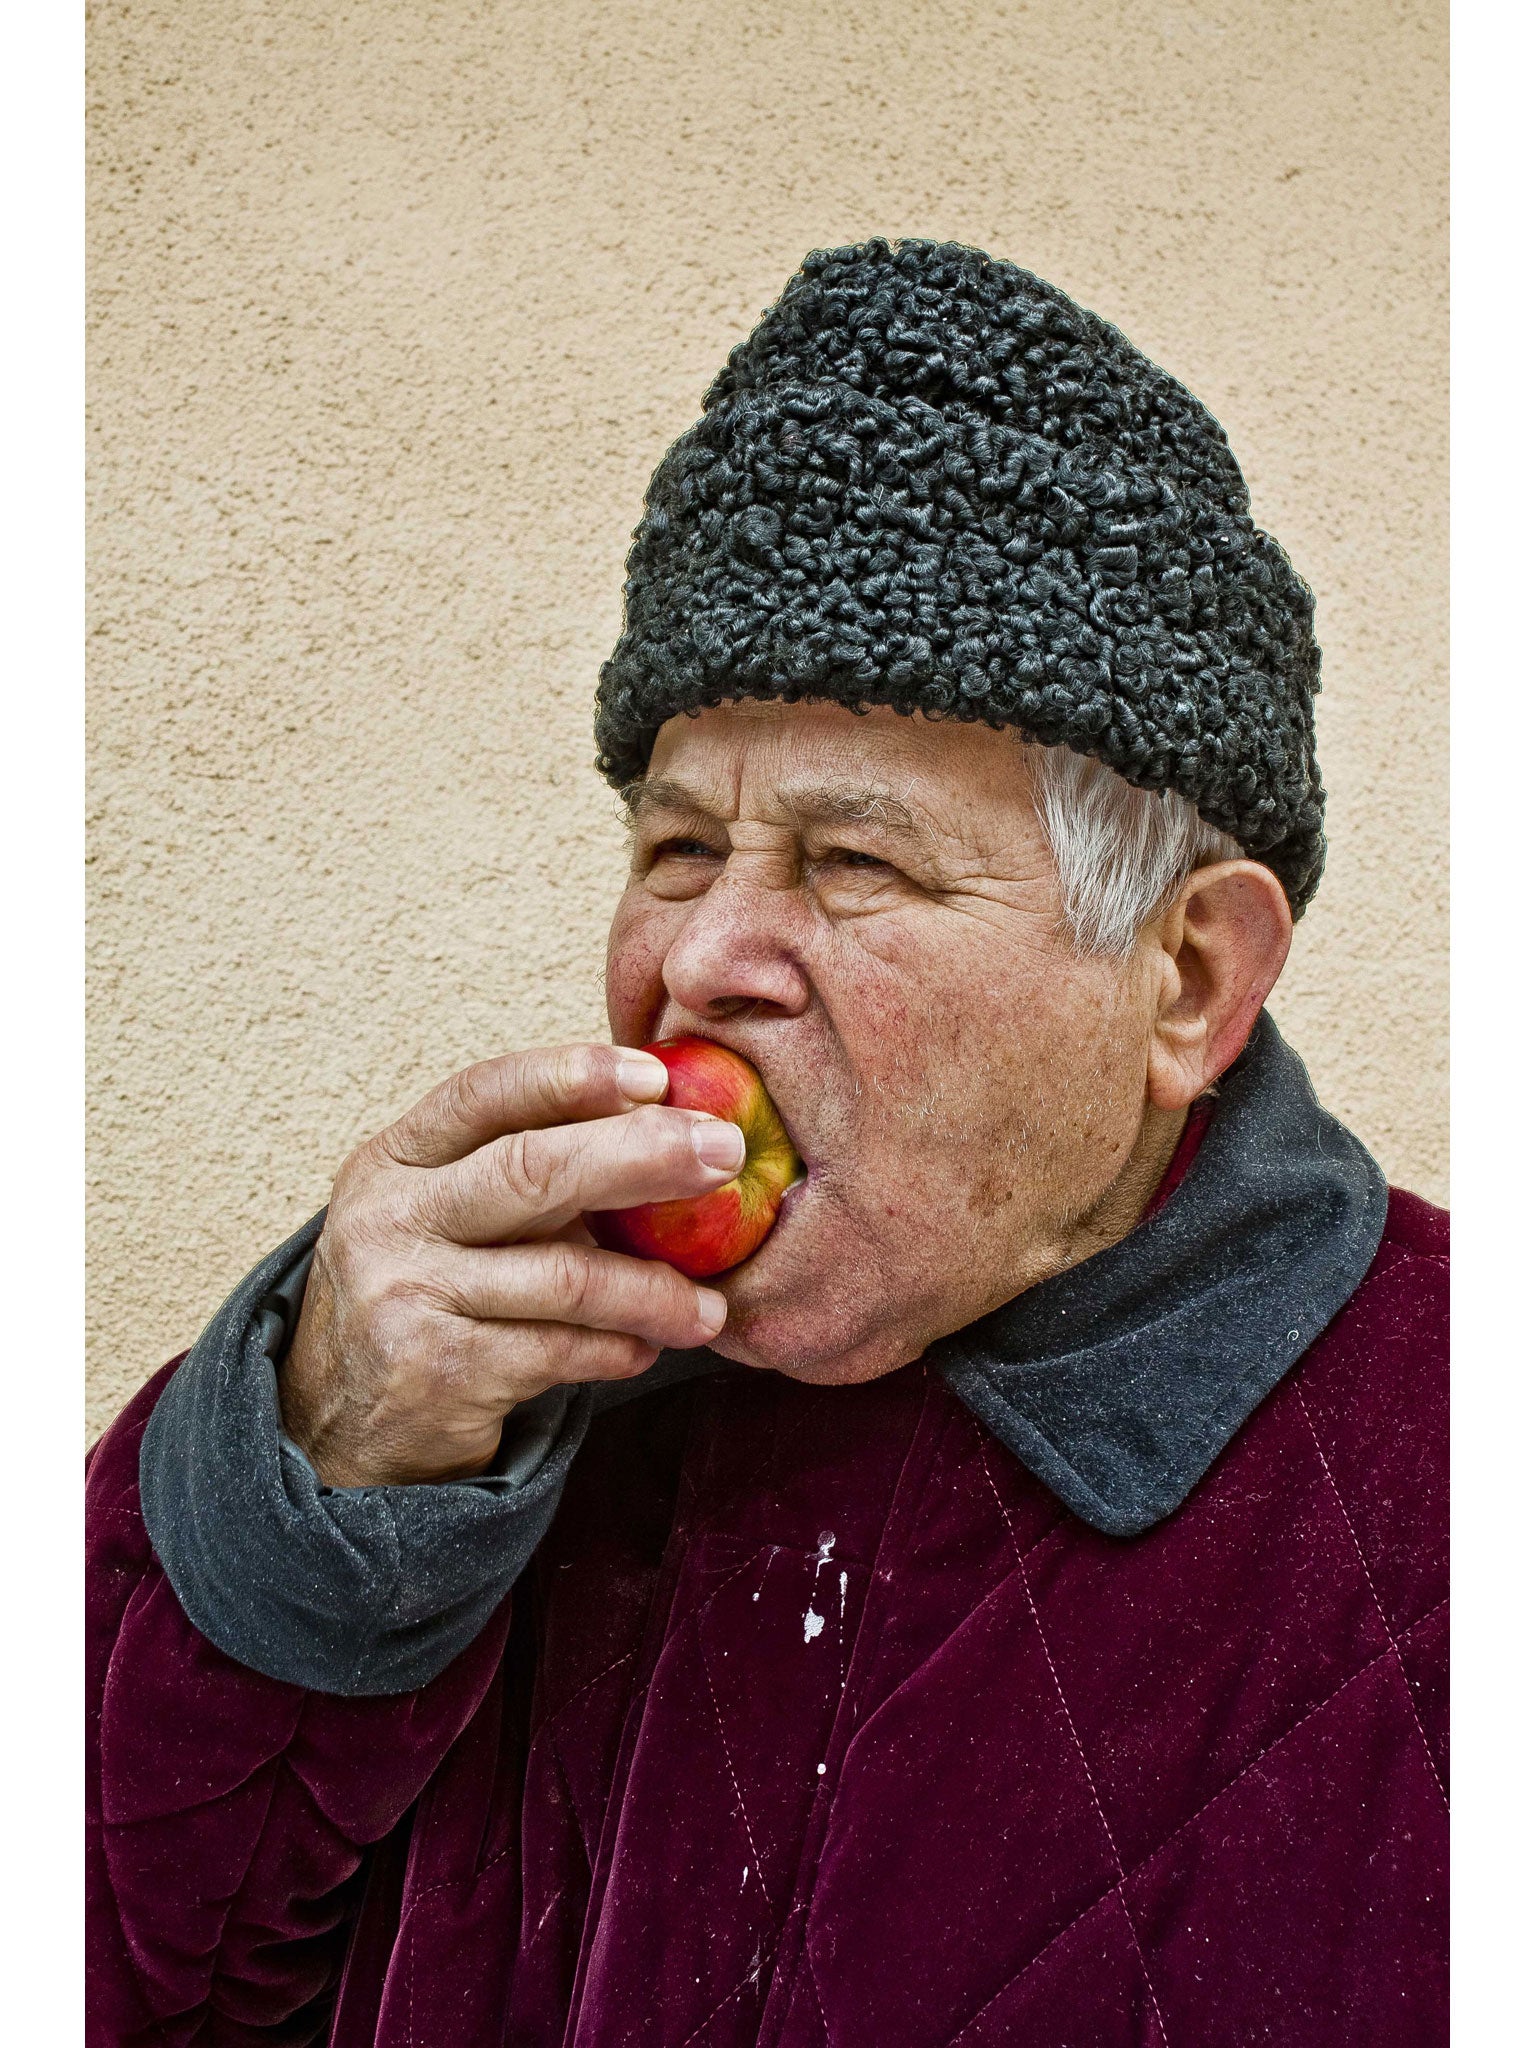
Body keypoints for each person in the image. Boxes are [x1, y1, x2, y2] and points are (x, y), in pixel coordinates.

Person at [86, 240, 1447, 2047]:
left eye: (851, 862)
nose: (701, 961)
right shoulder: (452, 1395)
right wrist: (313, 1488)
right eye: (672, 851)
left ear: (1187, 979)